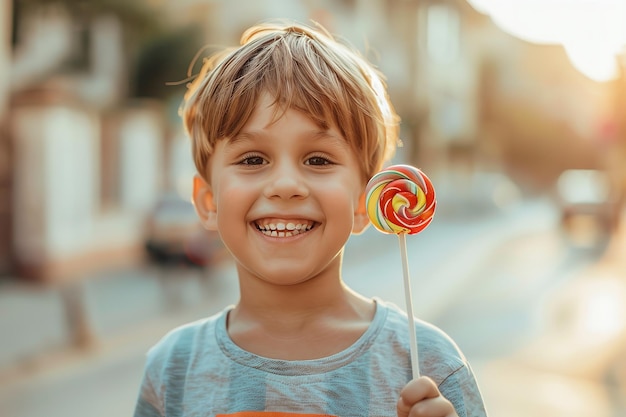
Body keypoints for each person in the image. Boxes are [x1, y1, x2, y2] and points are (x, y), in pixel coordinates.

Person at [133, 20, 488, 417]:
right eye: (253, 159)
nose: (286, 185)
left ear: (364, 200)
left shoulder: (431, 369)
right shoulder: (172, 371)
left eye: (318, 159)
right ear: (208, 201)